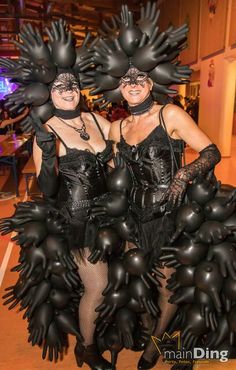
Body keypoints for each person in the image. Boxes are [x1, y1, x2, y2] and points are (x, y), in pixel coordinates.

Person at [78, 3, 223, 369]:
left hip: (169, 214)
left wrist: (184, 175)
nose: (133, 85)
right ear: (118, 87)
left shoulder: (169, 114)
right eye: (126, 81)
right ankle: (154, 336)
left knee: (167, 286)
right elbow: (111, 171)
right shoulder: (118, 128)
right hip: (132, 217)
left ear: (151, 81)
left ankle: (157, 347)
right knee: (140, 280)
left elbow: (211, 150)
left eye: (139, 79)